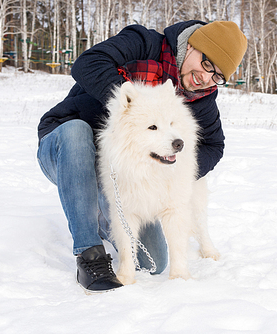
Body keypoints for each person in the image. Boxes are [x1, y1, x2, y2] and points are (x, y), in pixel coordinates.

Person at [37, 20, 248, 293]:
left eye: (218, 76)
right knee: (77, 132)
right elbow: (86, 64)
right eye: (208, 65)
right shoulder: (144, 44)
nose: (206, 78)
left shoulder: (201, 97)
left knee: (154, 263)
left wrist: (176, 172)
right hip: (65, 148)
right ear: (193, 45)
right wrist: (134, 102)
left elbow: (213, 147)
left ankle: (100, 215)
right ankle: (90, 252)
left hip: (123, 175)